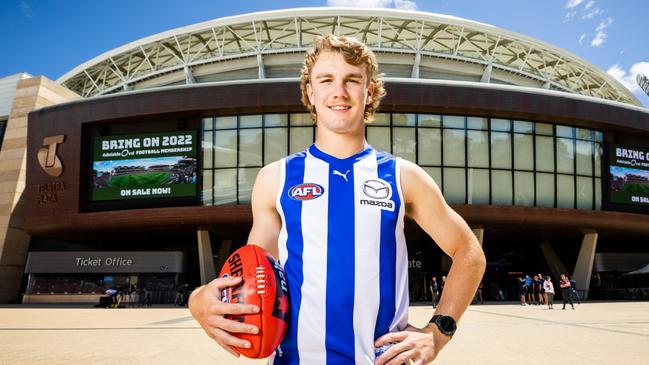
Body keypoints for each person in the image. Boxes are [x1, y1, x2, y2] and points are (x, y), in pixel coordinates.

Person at [188, 34, 486, 365]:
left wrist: (437, 332)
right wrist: (198, 300)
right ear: (310, 93)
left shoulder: (404, 176)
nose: (339, 91)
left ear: (368, 91)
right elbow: (254, 275)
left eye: (352, 80)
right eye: (326, 79)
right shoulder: (275, 179)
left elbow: (469, 252)